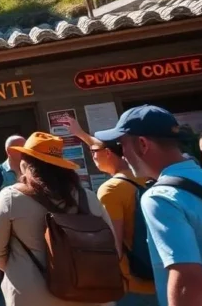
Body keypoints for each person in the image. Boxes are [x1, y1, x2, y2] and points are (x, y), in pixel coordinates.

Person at [94, 105, 202, 306]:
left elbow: (188, 280)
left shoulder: (159, 197)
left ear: (142, 144)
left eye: (122, 144)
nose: (122, 154)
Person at [0, 132, 116, 306]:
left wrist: (21, 267)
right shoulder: (89, 198)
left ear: (27, 163)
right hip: (90, 292)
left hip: (32, 297)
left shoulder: (10, 198)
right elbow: (111, 243)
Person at [61, 116, 156, 305]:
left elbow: (113, 246)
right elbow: (104, 146)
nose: (92, 155)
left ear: (109, 154)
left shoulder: (111, 189)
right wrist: (80, 133)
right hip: (157, 276)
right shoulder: (146, 177)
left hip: (132, 285)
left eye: (94, 152)